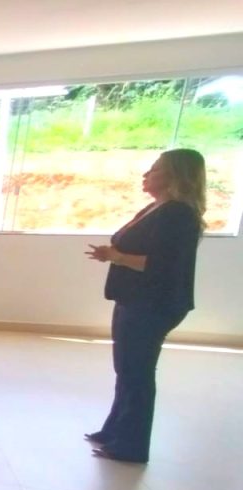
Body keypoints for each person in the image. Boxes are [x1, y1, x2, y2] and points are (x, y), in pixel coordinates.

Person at [85, 149, 205, 463]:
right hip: (134, 298)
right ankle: (116, 431)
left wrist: (116, 257)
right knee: (126, 368)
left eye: (154, 170)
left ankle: (131, 445)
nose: (146, 175)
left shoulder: (178, 214)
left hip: (152, 302)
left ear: (174, 176)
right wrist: (113, 254)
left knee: (136, 371)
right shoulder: (156, 208)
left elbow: (161, 265)